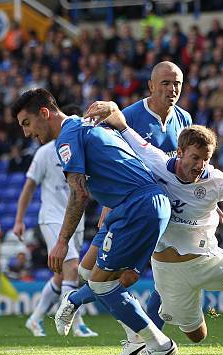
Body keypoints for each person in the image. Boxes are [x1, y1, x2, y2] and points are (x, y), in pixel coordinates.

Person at [64, 102, 223, 355]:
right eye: (195, 158)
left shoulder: (217, 181)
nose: (200, 165)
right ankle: (155, 322)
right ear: (180, 152)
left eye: (206, 159)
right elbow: (123, 126)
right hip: (167, 271)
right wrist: (109, 107)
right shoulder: (157, 162)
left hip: (206, 258)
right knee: (197, 335)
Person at [12, 88, 176, 355]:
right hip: (130, 206)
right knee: (89, 271)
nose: (26, 133)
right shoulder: (85, 125)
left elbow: (78, 193)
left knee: (101, 282)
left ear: (44, 113)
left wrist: (62, 241)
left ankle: (158, 343)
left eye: (27, 124)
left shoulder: (67, 136)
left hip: (137, 207)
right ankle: (134, 339)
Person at [76, 61, 192, 340]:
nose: (172, 89)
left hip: (169, 209)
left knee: (154, 278)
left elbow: (190, 164)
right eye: (165, 83)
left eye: (177, 83)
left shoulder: (184, 119)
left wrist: (205, 200)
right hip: (128, 205)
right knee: (87, 270)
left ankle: (142, 338)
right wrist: (108, 206)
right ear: (151, 86)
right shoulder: (130, 116)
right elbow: (112, 162)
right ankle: (132, 327)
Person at [14, 104, 97, 337]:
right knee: (72, 267)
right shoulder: (44, 152)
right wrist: (19, 219)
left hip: (73, 218)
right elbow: (28, 187)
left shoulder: (79, 146)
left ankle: (34, 319)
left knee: (62, 275)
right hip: (51, 217)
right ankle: (76, 324)